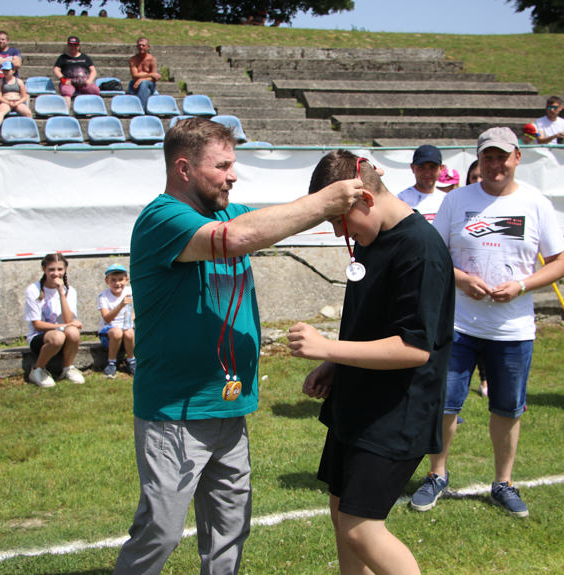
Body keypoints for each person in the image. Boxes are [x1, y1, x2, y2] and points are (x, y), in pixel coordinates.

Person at [114, 117, 364, 574]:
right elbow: (237, 240)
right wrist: (324, 200)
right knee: (161, 532)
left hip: (229, 407)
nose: (234, 174)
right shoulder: (161, 218)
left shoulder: (229, 211)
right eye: (223, 165)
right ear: (184, 169)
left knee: (230, 529)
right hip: (176, 413)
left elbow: (263, 224)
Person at [287, 150, 455, 575]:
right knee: (342, 510)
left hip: (397, 410)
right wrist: (337, 365)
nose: (337, 231)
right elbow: (370, 324)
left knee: (362, 527)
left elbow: (414, 348)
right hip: (359, 401)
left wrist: (327, 348)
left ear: (365, 199)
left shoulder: (420, 249)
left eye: (338, 221)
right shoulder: (371, 239)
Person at [410, 127, 564, 517]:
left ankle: (503, 483)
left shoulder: (537, 203)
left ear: (517, 158)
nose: (495, 164)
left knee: (507, 409)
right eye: (487, 157)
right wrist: (461, 279)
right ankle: (437, 475)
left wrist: (521, 285)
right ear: (478, 161)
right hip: (459, 326)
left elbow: (561, 262)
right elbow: (434, 254)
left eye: (502, 156)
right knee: (445, 405)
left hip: (513, 330)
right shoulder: (456, 201)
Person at [23, 253, 86, 388]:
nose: (56, 273)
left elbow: (69, 319)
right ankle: (38, 370)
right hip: (41, 338)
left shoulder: (70, 291)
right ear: (44, 269)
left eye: (59, 269)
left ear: (65, 270)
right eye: (51, 269)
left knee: (73, 332)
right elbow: (37, 325)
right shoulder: (33, 290)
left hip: (63, 335)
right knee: (58, 336)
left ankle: (68, 368)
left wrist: (61, 293)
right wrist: (66, 324)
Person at [464, 159, 489, 398]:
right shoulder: (457, 203)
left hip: (493, 294)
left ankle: (484, 379)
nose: (479, 181)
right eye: (474, 177)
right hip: (460, 296)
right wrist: (461, 280)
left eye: (482, 176)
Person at [97, 263, 136, 379]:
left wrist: (131, 318)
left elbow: (139, 309)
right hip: (109, 331)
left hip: (126, 328)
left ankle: (131, 361)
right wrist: (121, 304)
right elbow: (107, 318)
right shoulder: (103, 296)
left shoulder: (130, 291)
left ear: (126, 280)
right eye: (113, 280)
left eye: (120, 280)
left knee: (129, 332)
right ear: (107, 281)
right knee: (117, 332)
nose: (117, 283)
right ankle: (111, 362)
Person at [397, 144, 445, 221]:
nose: (427, 173)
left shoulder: (447, 199)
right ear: (412, 168)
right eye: (421, 167)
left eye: (432, 167)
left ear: (441, 168)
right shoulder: (401, 200)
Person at [53, 36, 100, 109]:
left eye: (75, 45)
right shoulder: (63, 58)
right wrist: (63, 79)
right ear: (68, 45)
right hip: (69, 83)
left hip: (84, 82)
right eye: (71, 45)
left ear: (78, 46)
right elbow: (56, 69)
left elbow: (93, 70)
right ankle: (65, 113)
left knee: (95, 90)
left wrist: (90, 80)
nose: (73, 47)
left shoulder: (85, 57)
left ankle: (94, 111)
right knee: (66, 92)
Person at [0, 61, 32, 133]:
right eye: (4, 70)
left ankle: (30, 128)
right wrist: (7, 102)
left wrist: (17, 102)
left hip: (17, 101)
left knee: (28, 112)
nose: (5, 72)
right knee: (1, 112)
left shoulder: (19, 81)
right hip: (5, 101)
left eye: (7, 70)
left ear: (13, 71)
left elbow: (24, 96)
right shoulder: (0, 82)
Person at [128, 37, 162, 111]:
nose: (141, 47)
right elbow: (135, 75)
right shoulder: (133, 60)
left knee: (144, 84)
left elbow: (154, 78)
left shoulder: (151, 59)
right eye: (139, 45)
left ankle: (141, 109)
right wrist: (150, 74)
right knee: (142, 86)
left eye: (143, 45)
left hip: (148, 84)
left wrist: (141, 80)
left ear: (148, 47)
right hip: (135, 85)